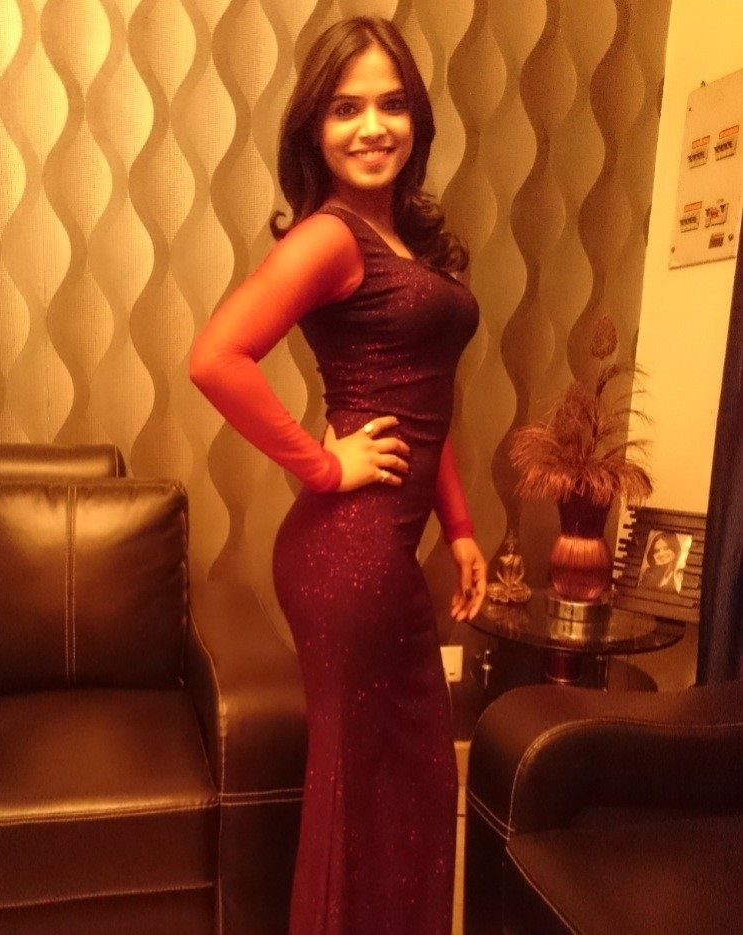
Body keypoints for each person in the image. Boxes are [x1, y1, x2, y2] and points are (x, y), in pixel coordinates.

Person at [189, 16, 486, 934]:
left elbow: (426, 404)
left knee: (413, 784)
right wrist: (323, 465)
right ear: (314, 129)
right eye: (346, 108)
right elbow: (215, 357)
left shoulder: (404, 239)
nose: (372, 127)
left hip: (378, 551)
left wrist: (462, 527)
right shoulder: (330, 237)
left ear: (417, 118)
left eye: (391, 104)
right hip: (348, 558)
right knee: (365, 792)